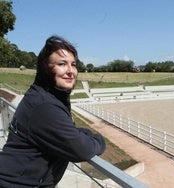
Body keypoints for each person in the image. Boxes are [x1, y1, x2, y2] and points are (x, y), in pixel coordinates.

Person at [0, 35, 106, 187]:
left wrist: (80, 133)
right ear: (46, 68)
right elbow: (81, 150)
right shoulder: (44, 106)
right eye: (62, 64)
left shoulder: (45, 95)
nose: (71, 71)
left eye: (73, 64)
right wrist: (99, 140)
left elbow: (66, 131)